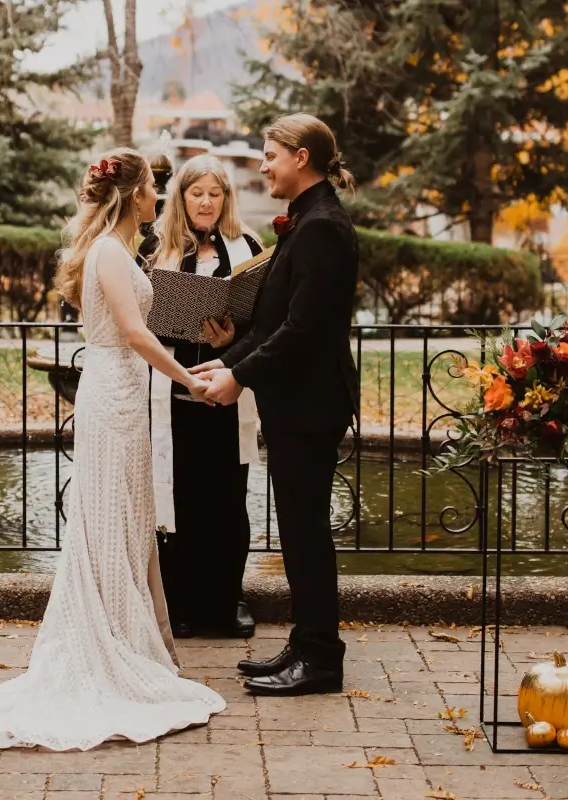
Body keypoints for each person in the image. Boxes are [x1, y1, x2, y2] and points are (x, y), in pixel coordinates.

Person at [0, 148, 226, 749]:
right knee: (109, 521)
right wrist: (189, 380)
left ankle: (132, 637)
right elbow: (136, 334)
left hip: (121, 392)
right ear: (131, 195)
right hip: (114, 393)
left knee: (130, 521)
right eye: (151, 187)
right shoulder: (111, 253)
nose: (157, 196)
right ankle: (109, 646)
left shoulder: (120, 251)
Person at [193, 113, 359, 697]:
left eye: (269, 155)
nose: (262, 165)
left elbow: (305, 331)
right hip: (296, 400)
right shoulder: (307, 222)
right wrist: (229, 359)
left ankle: (320, 660)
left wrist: (238, 377)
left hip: (311, 404)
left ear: (301, 157)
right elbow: (273, 321)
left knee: (306, 531)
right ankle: (307, 643)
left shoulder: (323, 228)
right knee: (296, 529)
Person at [148, 154, 263, 639]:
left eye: (215, 194)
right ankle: (181, 605)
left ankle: (226, 600)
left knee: (227, 502)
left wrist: (230, 343)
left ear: (226, 199)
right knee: (179, 502)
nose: (207, 202)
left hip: (227, 393)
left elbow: (264, 324)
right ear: (181, 197)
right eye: (197, 193)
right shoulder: (156, 249)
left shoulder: (248, 246)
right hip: (172, 398)